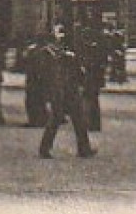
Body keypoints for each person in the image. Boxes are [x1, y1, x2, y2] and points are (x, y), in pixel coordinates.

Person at [39, 29, 95, 159]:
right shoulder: (48, 54)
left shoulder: (60, 54)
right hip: (60, 91)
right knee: (57, 119)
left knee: (78, 120)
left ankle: (84, 148)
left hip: (68, 90)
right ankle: (44, 148)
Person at [20, 37, 53, 128]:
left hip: (37, 80)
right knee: (33, 100)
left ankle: (37, 121)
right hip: (35, 79)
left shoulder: (44, 52)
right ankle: (36, 120)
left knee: (36, 101)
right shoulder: (37, 51)